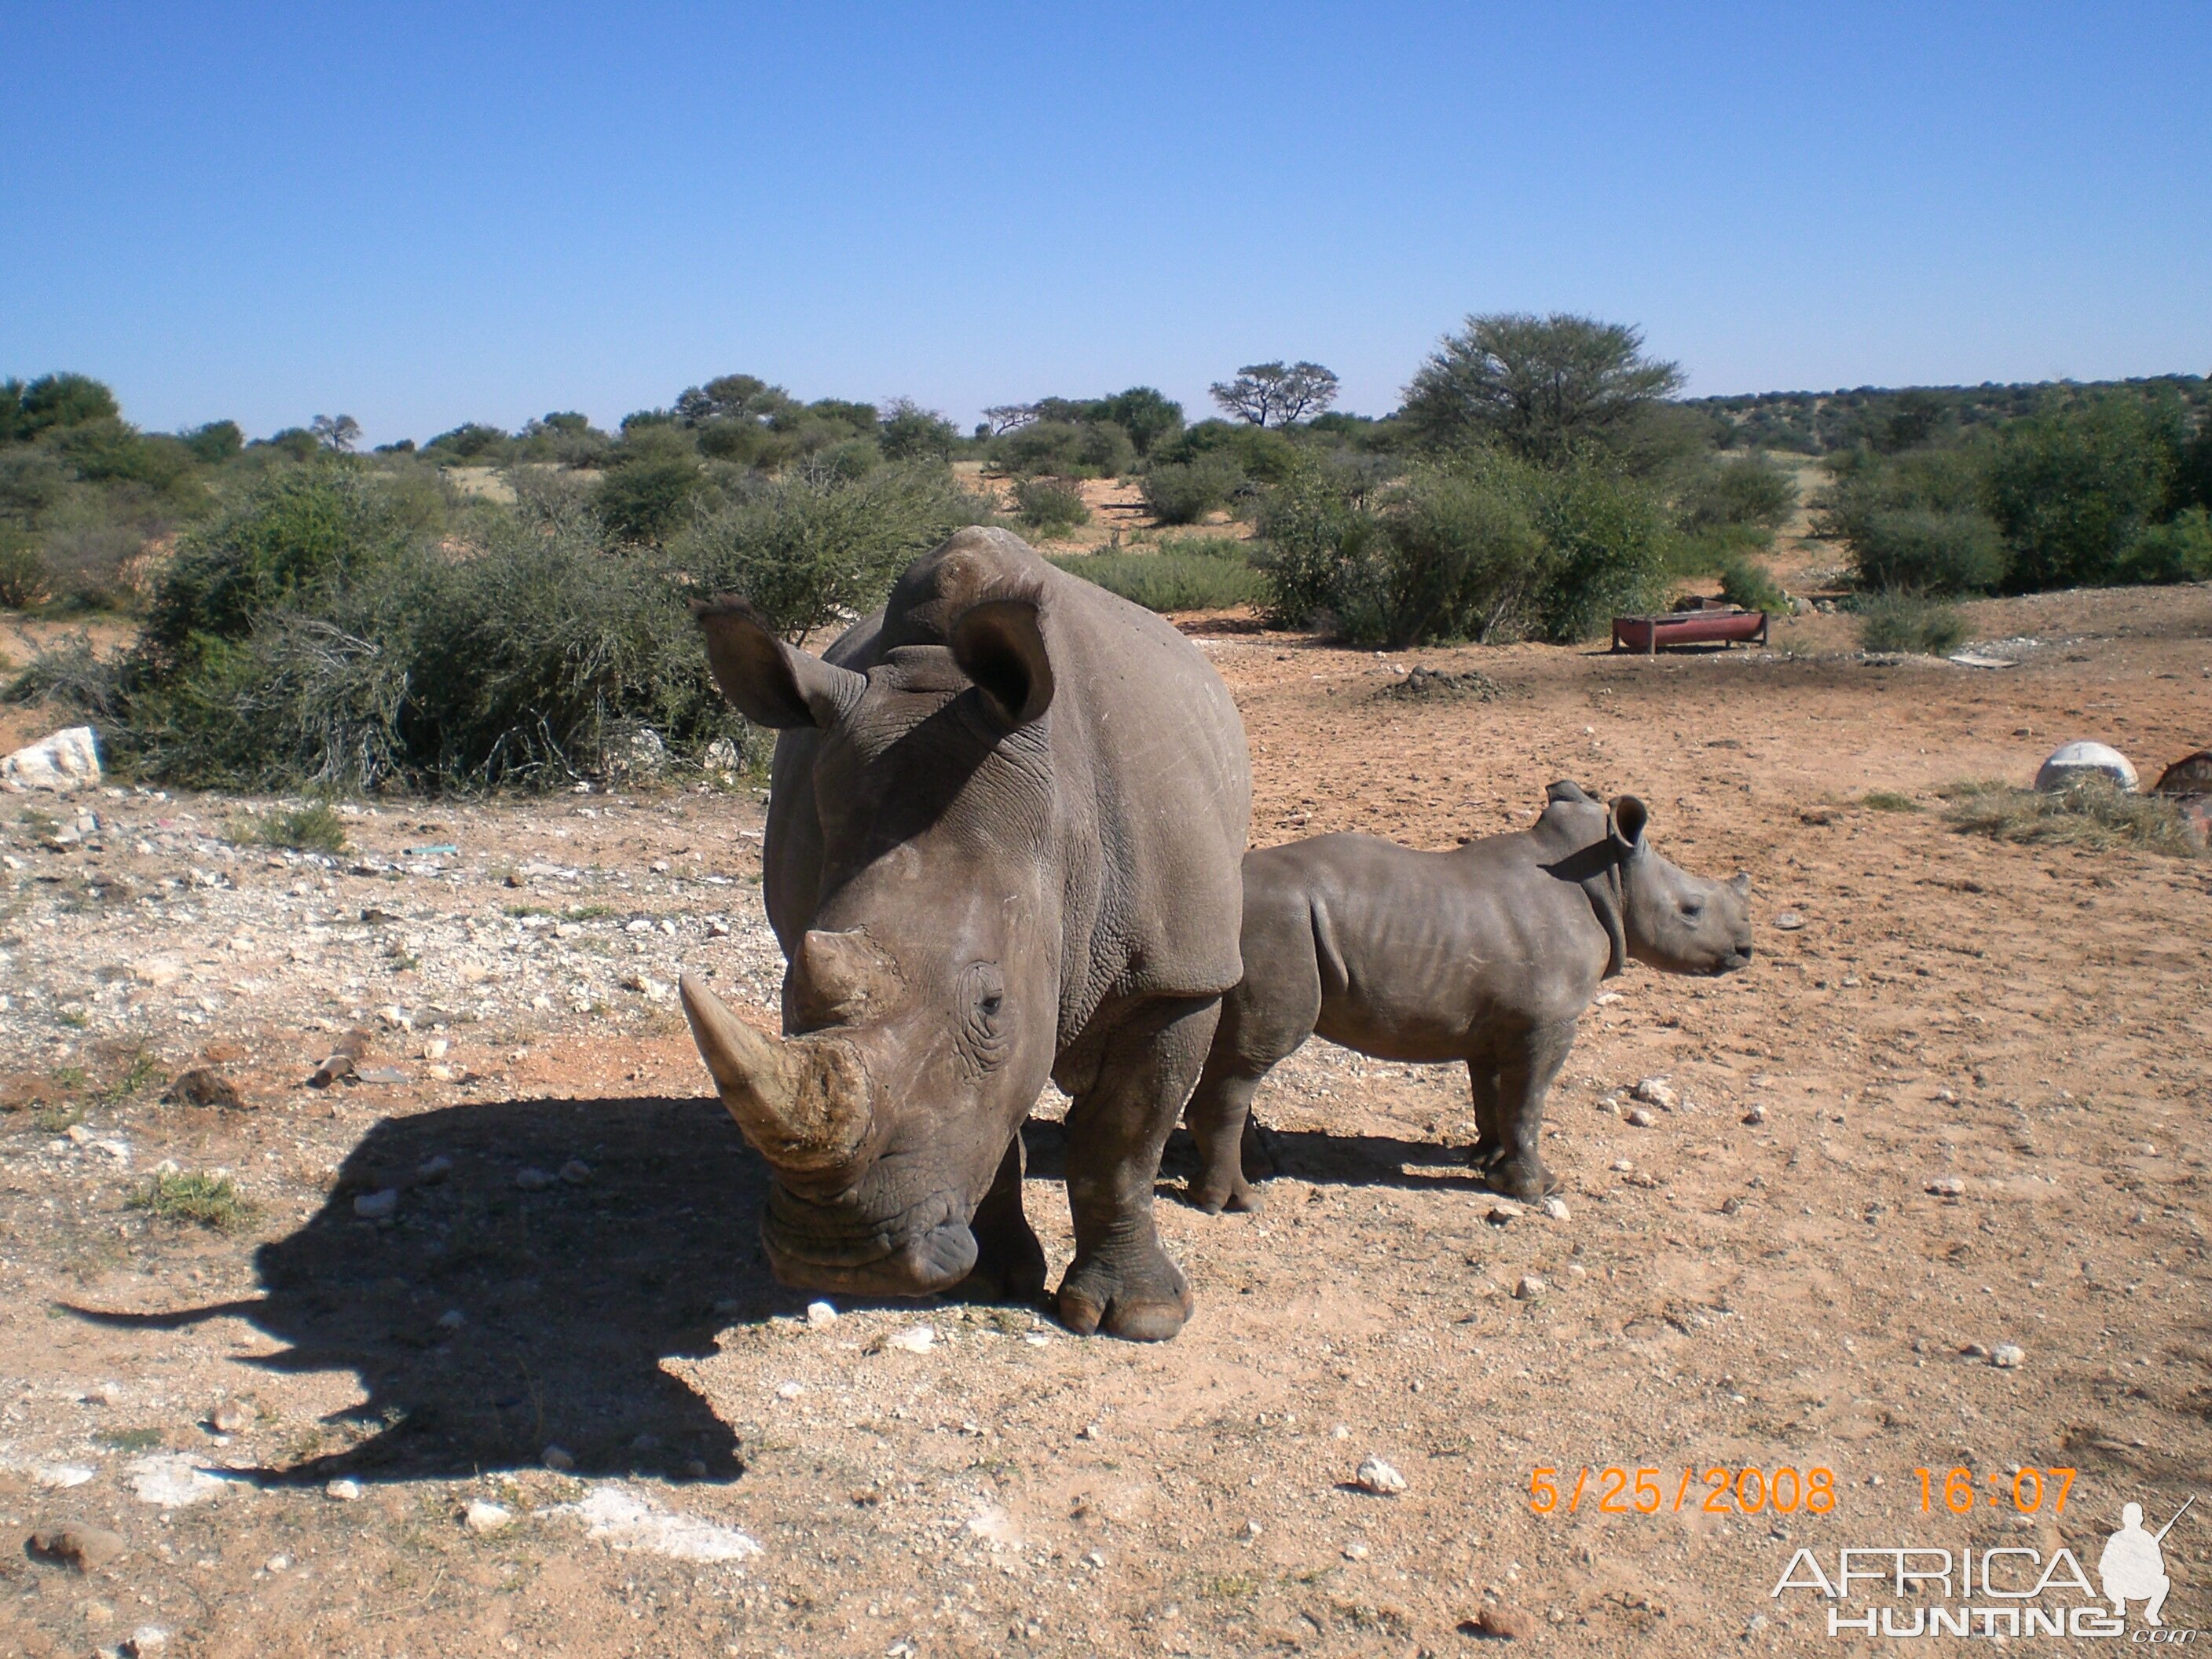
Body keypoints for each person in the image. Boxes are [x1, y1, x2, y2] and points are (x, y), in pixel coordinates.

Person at [2100, 1503, 2170, 1626]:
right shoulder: (2117, 1538)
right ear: (2124, 1518)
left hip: (2142, 1586)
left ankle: (2152, 1613)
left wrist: (2143, 1565)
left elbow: (2160, 1568)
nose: (2132, 1520)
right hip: (2120, 1586)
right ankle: (2119, 1603)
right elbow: (2104, 1567)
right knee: (2107, 1580)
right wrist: (2122, 1567)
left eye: (2135, 1517)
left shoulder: (2148, 1539)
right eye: (2129, 1517)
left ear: (2141, 1519)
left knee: (2164, 1581)